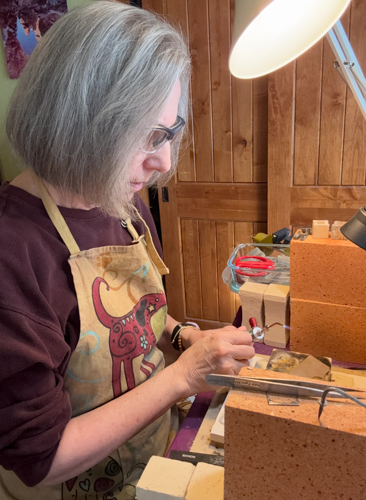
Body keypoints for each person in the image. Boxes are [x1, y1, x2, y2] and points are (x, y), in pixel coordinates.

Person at [0, 2, 255, 499]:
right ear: (76, 124)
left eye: (169, 132)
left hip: (154, 457)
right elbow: (41, 459)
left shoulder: (121, 200)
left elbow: (138, 324)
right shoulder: (14, 254)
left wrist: (182, 338)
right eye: (144, 135)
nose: (161, 160)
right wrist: (185, 376)